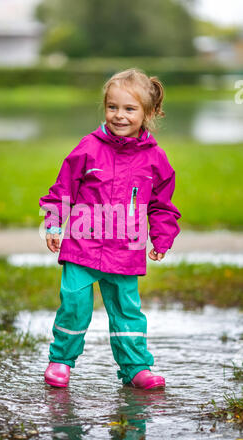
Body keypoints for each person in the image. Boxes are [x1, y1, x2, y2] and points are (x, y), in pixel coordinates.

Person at [39, 68, 181, 390]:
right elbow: (62, 187)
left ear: (148, 113)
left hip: (125, 251)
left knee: (127, 311)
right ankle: (61, 360)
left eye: (129, 109)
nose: (119, 115)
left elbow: (162, 204)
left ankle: (135, 368)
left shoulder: (155, 158)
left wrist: (161, 236)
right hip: (81, 245)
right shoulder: (88, 147)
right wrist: (53, 221)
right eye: (112, 107)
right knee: (74, 305)